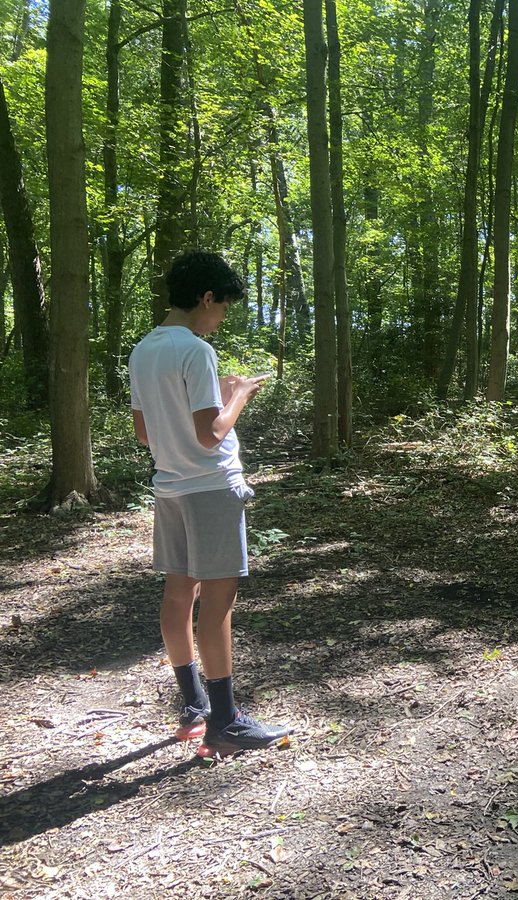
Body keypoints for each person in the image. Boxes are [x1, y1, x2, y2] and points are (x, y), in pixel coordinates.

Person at [129, 250, 291, 758]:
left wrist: (213, 399)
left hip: (169, 488)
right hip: (211, 488)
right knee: (217, 603)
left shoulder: (142, 350)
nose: (220, 318)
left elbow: (143, 433)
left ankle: (193, 707)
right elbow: (210, 434)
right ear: (205, 298)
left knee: (180, 594)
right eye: (221, 307)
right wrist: (238, 394)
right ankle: (225, 720)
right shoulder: (195, 350)